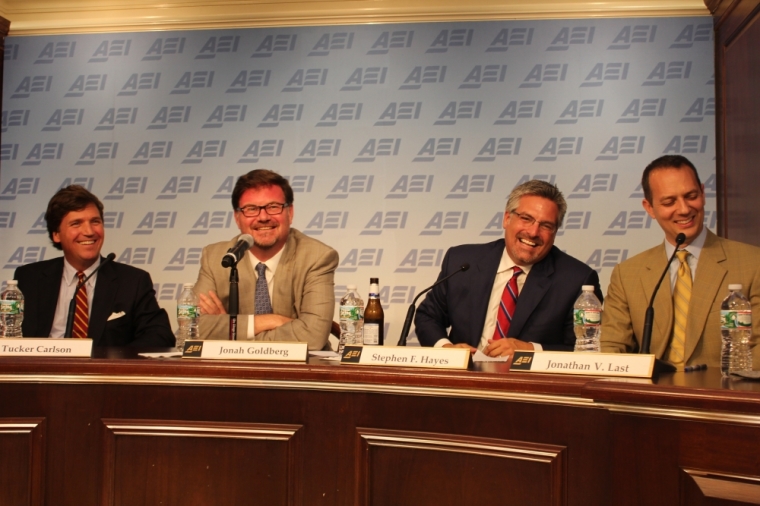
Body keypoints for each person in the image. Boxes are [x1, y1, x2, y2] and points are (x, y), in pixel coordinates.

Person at [601, 155, 760, 369]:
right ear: (649, 208)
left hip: (724, 395)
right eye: (669, 202)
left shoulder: (752, 264)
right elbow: (611, 349)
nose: (684, 209)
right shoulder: (627, 274)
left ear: (703, 193)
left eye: (691, 196)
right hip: (650, 399)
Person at [414, 180, 603, 357]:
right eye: (526, 218)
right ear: (506, 218)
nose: (533, 232)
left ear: (555, 232)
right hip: (464, 381)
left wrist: (530, 350)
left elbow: (583, 349)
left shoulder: (577, 279)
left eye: (545, 225)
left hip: (529, 386)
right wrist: (446, 349)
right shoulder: (462, 262)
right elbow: (428, 316)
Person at [194, 169, 338, 350]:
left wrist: (230, 332)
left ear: (290, 212)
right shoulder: (217, 258)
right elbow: (194, 329)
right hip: (234, 374)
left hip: (299, 372)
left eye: (273, 207)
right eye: (251, 209)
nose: (263, 217)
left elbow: (313, 336)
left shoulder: (317, 257)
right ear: (237, 218)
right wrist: (272, 321)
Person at [14, 185, 174, 347]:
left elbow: (160, 335)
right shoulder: (29, 278)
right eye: (76, 224)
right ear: (56, 234)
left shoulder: (133, 281)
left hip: (103, 370)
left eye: (95, 222)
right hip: (43, 369)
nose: (89, 231)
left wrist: (112, 362)